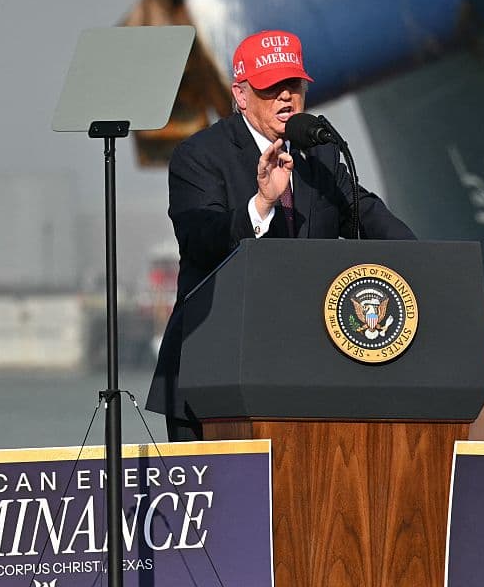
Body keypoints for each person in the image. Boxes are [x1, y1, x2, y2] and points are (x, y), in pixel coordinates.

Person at [145, 29, 415, 440]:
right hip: (215, 373)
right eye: (271, 87)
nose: (286, 97)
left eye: (294, 85)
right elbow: (203, 239)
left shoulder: (320, 154)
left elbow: (365, 213)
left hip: (307, 374)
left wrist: (425, 262)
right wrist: (262, 203)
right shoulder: (199, 156)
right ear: (241, 95)